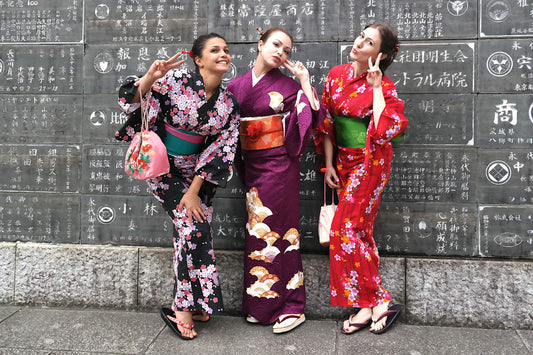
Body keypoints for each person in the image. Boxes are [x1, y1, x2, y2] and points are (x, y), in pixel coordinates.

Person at [115, 33, 240, 340]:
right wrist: (150, 77)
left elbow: (221, 149)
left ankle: (192, 302)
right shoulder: (176, 81)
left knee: (193, 229)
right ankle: (181, 306)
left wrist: (194, 191)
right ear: (198, 59)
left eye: (226, 50)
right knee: (193, 227)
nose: (223, 54)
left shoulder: (227, 103)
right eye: (215, 50)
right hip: (163, 168)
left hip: (198, 175)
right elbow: (131, 98)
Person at [227, 27, 325, 334]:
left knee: (284, 234)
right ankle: (262, 305)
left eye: (286, 50)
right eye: (275, 45)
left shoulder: (289, 87)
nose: (280, 52)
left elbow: (313, 120)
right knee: (258, 234)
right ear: (260, 44)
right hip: (252, 165)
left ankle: (292, 306)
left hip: (280, 166)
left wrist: (305, 83)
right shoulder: (235, 86)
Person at [314, 23, 408, 335]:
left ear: (379, 54)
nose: (359, 43)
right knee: (358, 232)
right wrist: (329, 164)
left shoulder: (385, 86)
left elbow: (384, 130)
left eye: (368, 42)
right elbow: (326, 122)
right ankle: (368, 305)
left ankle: (378, 300)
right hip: (342, 162)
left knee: (344, 229)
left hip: (370, 162)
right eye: (360, 36)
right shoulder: (336, 74)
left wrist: (377, 87)